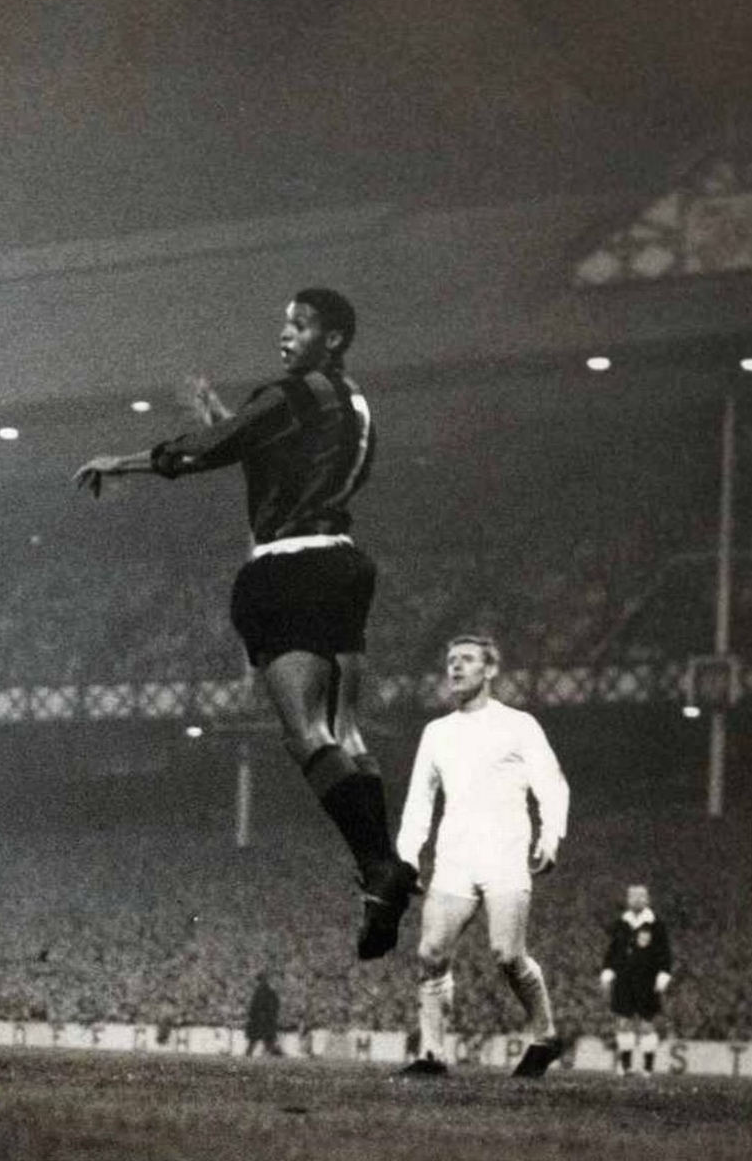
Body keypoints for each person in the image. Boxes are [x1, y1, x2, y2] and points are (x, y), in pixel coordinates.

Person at [73, 288, 417, 960]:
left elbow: (213, 449)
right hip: (345, 565)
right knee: (347, 732)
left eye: (300, 325)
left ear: (333, 338)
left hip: (287, 569)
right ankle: (383, 867)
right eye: (285, 324)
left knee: (305, 735)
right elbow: (277, 456)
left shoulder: (292, 393)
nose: (285, 335)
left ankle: (378, 866)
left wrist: (125, 460)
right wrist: (222, 414)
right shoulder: (353, 404)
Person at [394, 635, 570, 1079]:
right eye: (451, 660)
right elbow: (419, 800)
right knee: (431, 952)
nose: (455, 667)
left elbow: (551, 783)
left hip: (505, 853)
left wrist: (550, 835)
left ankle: (546, 1036)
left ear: (489, 670)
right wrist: (408, 857)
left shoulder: (519, 725)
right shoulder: (437, 732)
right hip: (455, 856)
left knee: (507, 954)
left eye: (467, 659)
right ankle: (432, 1054)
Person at [601, 883, 674, 1076]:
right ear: (628, 899)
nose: (637, 899)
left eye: (641, 896)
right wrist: (608, 969)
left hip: (647, 980)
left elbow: (664, 952)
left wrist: (663, 973)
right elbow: (613, 950)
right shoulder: (621, 923)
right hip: (623, 979)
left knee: (646, 1023)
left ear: (647, 900)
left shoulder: (656, 924)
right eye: (633, 896)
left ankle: (647, 1068)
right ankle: (626, 1066)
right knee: (623, 1022)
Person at [244, 972, 283, 1056]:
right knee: (268, 1041)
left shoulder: (259, 992)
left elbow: (254, 1007)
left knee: (254, 1041)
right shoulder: (271, 992)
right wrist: (273, 1017)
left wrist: (251, 1016)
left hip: (259, 1020)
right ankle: (276, 1055)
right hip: (268, 1020)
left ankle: (248, 1055)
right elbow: (276, 1005)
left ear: (258, 981)